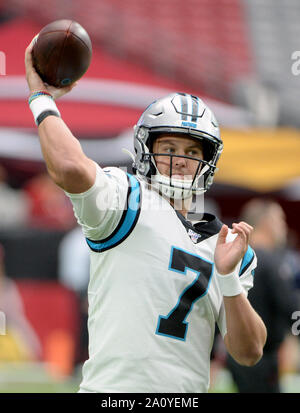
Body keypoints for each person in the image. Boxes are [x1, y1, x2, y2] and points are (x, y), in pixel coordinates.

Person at [24, 37, 266, 393]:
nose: (181, 159)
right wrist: (41, 98)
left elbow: (249, 352)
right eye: (168, 147)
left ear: (208, 161)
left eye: (192, 150)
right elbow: (68, 167)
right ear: (145, 149)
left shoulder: (229, 248)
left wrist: (228, 279)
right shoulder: (125, 199)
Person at [226, 199, 300, 393]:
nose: (284, 228)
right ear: (268, 223)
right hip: (261, 356)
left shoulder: (232, 259)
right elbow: (291, 308)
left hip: (235, 353)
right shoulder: (270, 262)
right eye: (281, 221)